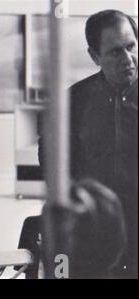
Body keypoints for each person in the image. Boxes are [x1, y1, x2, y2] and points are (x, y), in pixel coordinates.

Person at [38, 9, 137, 278]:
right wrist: (77, 207)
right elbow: (52, 160)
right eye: (116, 52)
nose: (128, 59)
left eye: (131, 47)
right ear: (95, 56)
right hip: (95, 236)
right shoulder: (74, 102)